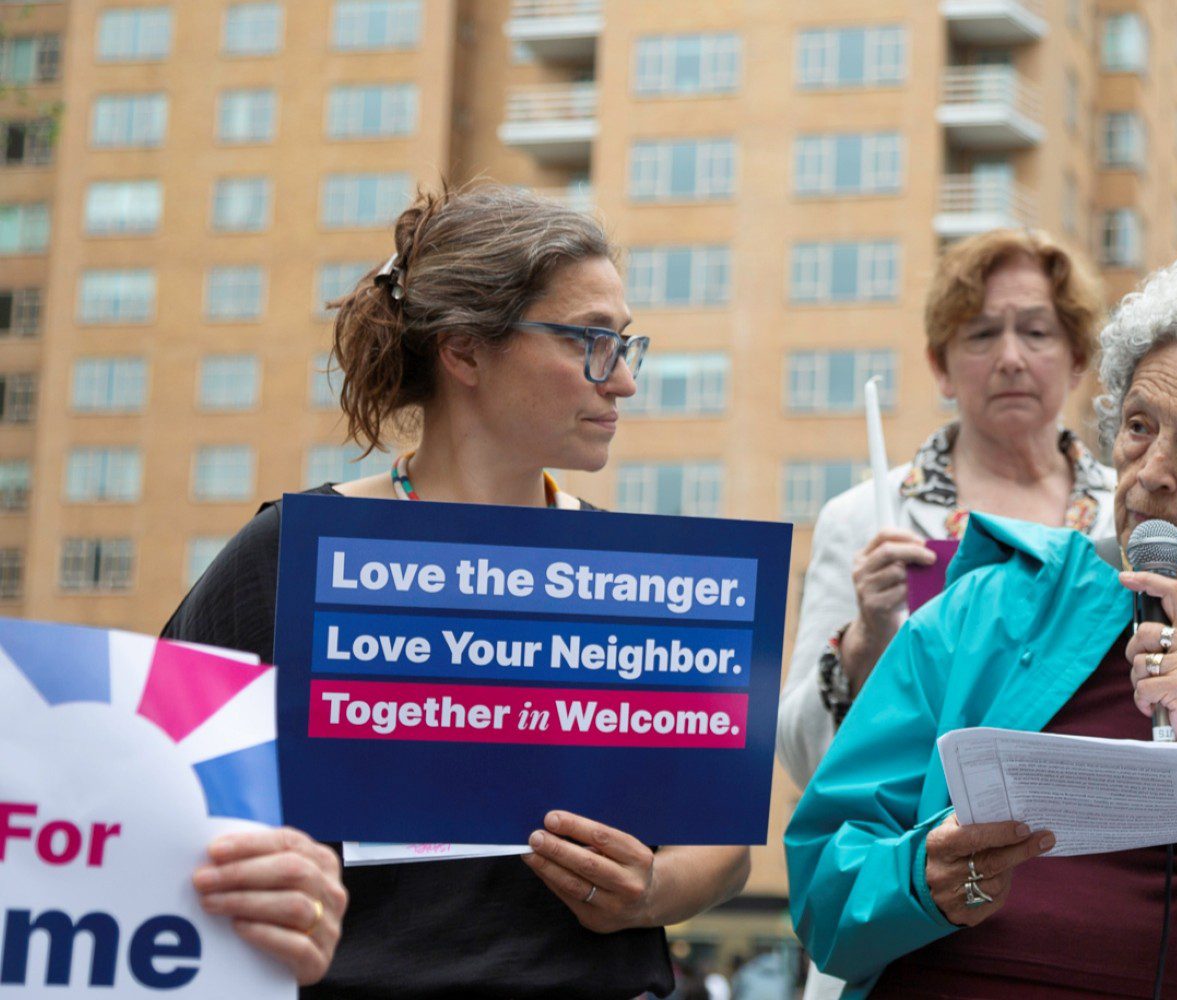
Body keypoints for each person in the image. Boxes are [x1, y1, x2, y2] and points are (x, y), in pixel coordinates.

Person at [163, 184, 750, 999]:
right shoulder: (297, 554)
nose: (622, 383)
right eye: (591, 340)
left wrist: (652, 891)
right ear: (466, 351)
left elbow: (721, 844)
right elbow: (150, 784)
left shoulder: (638, 578)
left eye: (626, 344)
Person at [785, 259, 1177, 998]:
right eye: (1137, 426)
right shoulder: (985, 610)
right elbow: (821, 890)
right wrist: (921, 878)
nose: (1152, 471)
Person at [776, 229, 1114, 790]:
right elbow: (798, 753)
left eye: (1036, 332)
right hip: (929, 860)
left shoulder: (1133, 521)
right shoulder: (862, 520)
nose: (1010, 358)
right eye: (981, 334)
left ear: (1077, 359)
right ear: (940, 365)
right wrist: (864, 642)